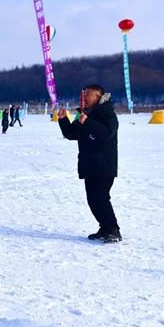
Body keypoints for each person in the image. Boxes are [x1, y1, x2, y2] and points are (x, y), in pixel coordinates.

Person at [57, 84, 121, 243]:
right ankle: (105, 228)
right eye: (84, 96)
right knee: (93, 199)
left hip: (104, 165)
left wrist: (88, 122)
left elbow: (106, 134)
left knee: (101, 198)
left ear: (98, 97)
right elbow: (72, 134)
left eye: (89, 96)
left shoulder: (108, 115)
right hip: (89, 164)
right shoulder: (86, 115)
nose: (85, 99)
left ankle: (113, 230)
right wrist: (64, 119)